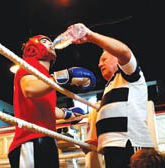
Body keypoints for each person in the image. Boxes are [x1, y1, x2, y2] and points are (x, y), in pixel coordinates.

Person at [61, 23, 155, 168]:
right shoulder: (110, 86)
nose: (99, 65)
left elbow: (124, 51)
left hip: (131, 145)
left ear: (116, 58)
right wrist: (99, 141)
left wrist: (90, 36)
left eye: (104, 60)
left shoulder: (129, 74)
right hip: (114, 149)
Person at [8, 35, 96, 168]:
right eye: (44, 42)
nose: (50, 44)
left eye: (50, 42)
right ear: (32, 48)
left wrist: (67, 114)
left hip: (48, 139)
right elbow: (30, 89)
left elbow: (47, 109)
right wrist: (66, 76)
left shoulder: (46, 80)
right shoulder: (27, 68)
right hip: (30, 139)